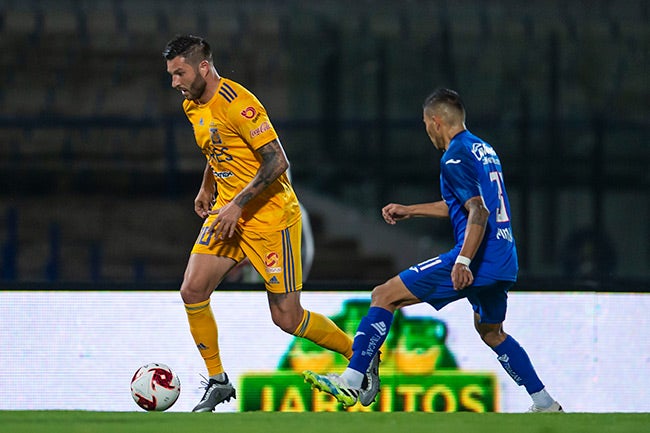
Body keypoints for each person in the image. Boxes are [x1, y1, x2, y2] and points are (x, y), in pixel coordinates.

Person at [303, 88, 563, 413]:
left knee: (384, 295)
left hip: (477, 257)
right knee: (492, 332)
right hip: (504, 258)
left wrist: (464, 260)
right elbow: (462, 204)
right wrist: (411, 210)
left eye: (426, 123)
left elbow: (478, 211)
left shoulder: (453, 156)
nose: (427, 131)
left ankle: (354, 380)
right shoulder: (484, 149)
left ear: (436, 122)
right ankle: (545, 403)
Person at [162, 35, 379, 412]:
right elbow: (218, 149)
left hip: (270, 218)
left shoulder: (239, 104)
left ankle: (361, 357)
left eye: (179, 73)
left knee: (286, 317)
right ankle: (217, 381)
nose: (174, 82)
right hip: (228, 214)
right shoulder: (192, 105)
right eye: (171, 74)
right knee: (193, 290)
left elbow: (277, 161)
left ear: (203, 67)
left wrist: (238, 204)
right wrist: (207, 186)